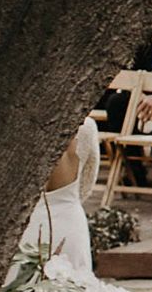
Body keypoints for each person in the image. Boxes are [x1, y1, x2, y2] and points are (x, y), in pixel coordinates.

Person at [22, 113, 104, 277]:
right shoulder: (87, 127)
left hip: (29, 219)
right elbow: (87, 182)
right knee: (73, 284)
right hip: (70, 219)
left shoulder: (22, 126)